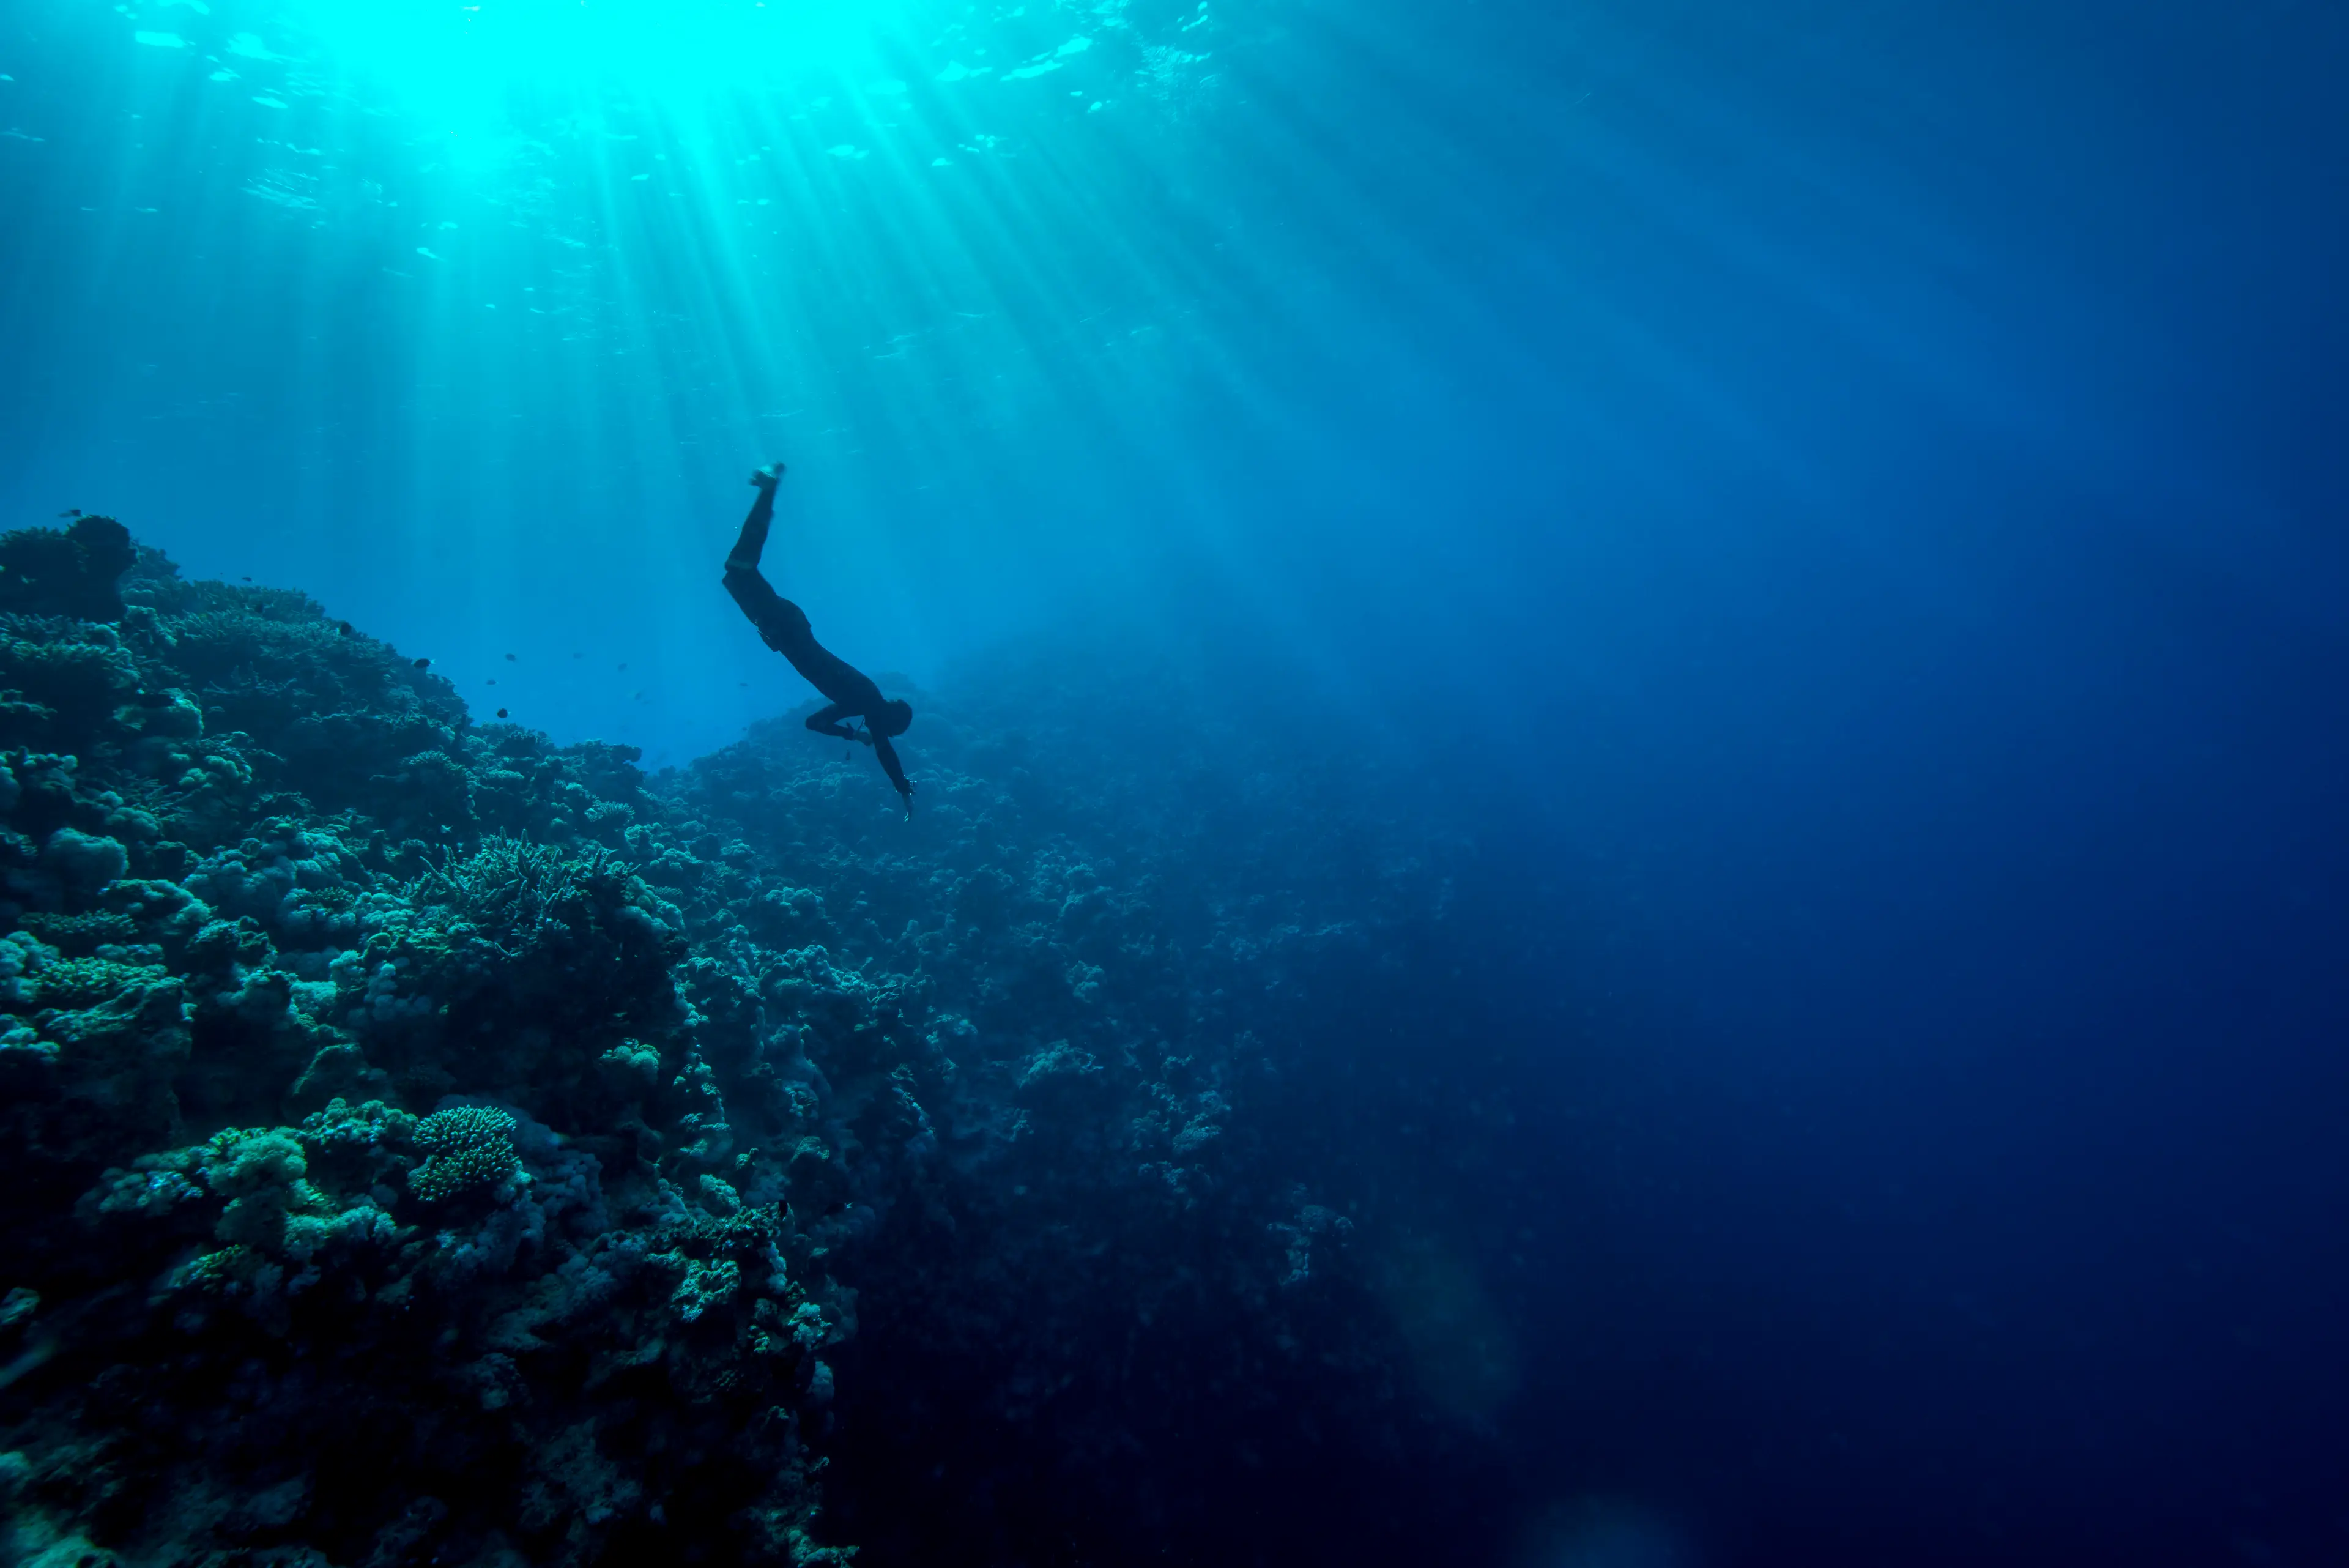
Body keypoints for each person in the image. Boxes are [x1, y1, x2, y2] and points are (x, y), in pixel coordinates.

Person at [724, 462, 916, 815]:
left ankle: (768, 491)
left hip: (787, 630)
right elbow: (883, 750)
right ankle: (769, 489)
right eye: (886, 730)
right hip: (787, 629)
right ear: (888, 721)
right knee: (739, 569)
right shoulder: (866, 700)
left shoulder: (859, 702)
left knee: (738, 570)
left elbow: (815, 723)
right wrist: (901, 785)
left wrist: (854, 735)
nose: (881, 734)